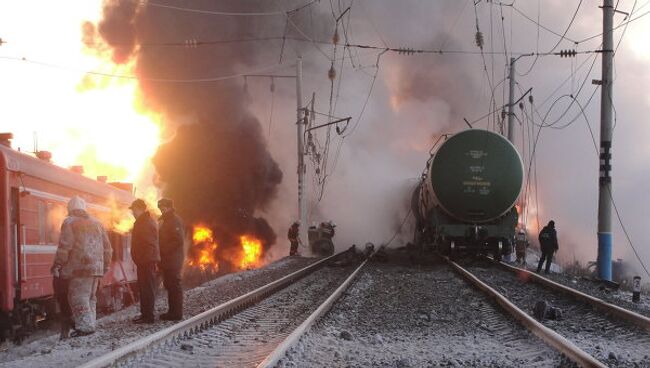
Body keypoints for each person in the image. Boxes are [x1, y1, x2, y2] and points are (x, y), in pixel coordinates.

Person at [51, 196, 112, 337]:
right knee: (91, 297)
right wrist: (105, 266)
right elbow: (108, 248)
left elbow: (65, 246)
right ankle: (90, 324)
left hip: (79, 268)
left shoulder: (70, 222)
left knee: (78, 297)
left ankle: (85, 328)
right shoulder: (98, 223)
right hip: (96, 269)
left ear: (70, 209)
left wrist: (58, 264)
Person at [129, 199, 160, 324]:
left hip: (146, 261)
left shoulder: (145, 223)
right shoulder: (145, 221)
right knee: (145, 288)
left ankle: (148, 316)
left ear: (140, 208)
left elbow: (149, 244)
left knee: (147, 288)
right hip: (145, 260)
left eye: (134, 210)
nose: (133, 213)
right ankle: (145, 314)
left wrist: (142, 259)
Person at [157, 198, 185, 321]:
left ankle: (176, 313)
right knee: (169, 284)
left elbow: (178, 240)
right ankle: (172, 311)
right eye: (160, 207)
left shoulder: (174, 220)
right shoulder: (165, 220)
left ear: (169, 207)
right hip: (167, 259)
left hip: (173, 259)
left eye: (164, 207)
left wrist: (164, 250)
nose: (162, 209)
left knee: (174, 285)